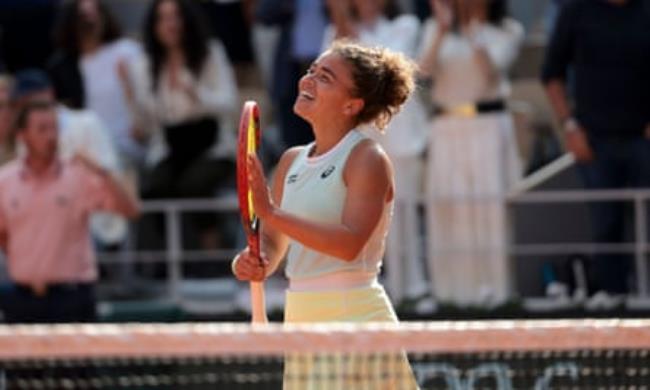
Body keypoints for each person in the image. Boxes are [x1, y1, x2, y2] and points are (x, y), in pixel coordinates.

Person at [232, 41, 419, 389]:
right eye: (311, 71)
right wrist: (256, 261)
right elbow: (273, 243)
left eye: (325, 77)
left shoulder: (368, 159)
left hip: (356, 317)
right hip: (301, 321)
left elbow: (349, 244)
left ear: (352, 104)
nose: (308, 80)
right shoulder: (290, 160)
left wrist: (271, 210)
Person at [323, 0, 430, 304]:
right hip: (358, 144)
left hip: (402, 140)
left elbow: (377, 71)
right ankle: (369, 290)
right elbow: (332, 78)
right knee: (360, 220)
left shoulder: (406, 25)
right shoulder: (334, 31)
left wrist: (343, 28)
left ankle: (411, 287)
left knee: (404, 215)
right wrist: (340, 21)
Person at [542, 0, 650, 299]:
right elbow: (551, 74)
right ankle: (614, 297)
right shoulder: (576, 12)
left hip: (643, 139)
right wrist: (570, 127)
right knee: (605, 222)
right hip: (594, 141)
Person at [418, 0, 523, 306]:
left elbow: (491, 70)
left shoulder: (506, 30)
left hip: (488, 125)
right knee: (447, 203)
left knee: (488, 203)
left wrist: (473, 31)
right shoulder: (433, 29)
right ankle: (450, 292)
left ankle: (495, 291)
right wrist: (441, 29)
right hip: (446, 125)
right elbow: (422, 72)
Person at [0, 100, 139, 323]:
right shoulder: (5, 181)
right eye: (42, 129)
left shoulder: (78, 175)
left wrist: (102, 170)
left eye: (54, 128)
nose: (51, 136)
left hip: (72, 297)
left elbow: (130, 209)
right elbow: (3, 235)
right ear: (22, 135)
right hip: (23, 298)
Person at [132, 0, 238, 253]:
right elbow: (148, 123)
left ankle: (212, 250)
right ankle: (170, 257)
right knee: (155, 186)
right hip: (171, 146)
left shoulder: (210, 52)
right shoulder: (146, 65)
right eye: (163, 18)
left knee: (194, 184)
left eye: (175, 17)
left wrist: (196, 93)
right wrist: (131, 95)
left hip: (211, 143)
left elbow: (229, 102)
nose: (170, 25)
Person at [9, 69, 127, 248]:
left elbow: (110, 175)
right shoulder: (24, 138)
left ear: (49, 93)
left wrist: (82, 167)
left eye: (30, 97)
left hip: (92, 224)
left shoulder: (87, 122)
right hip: (42, 225)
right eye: (21, 101)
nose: (26, 105)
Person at [48, 0, 147, 171]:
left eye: (94, 14)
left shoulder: (127, 52)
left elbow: (147, 99)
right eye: (83, 16)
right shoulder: (62, 67)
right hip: (82, 150)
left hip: (127, 146)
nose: (90, 21)